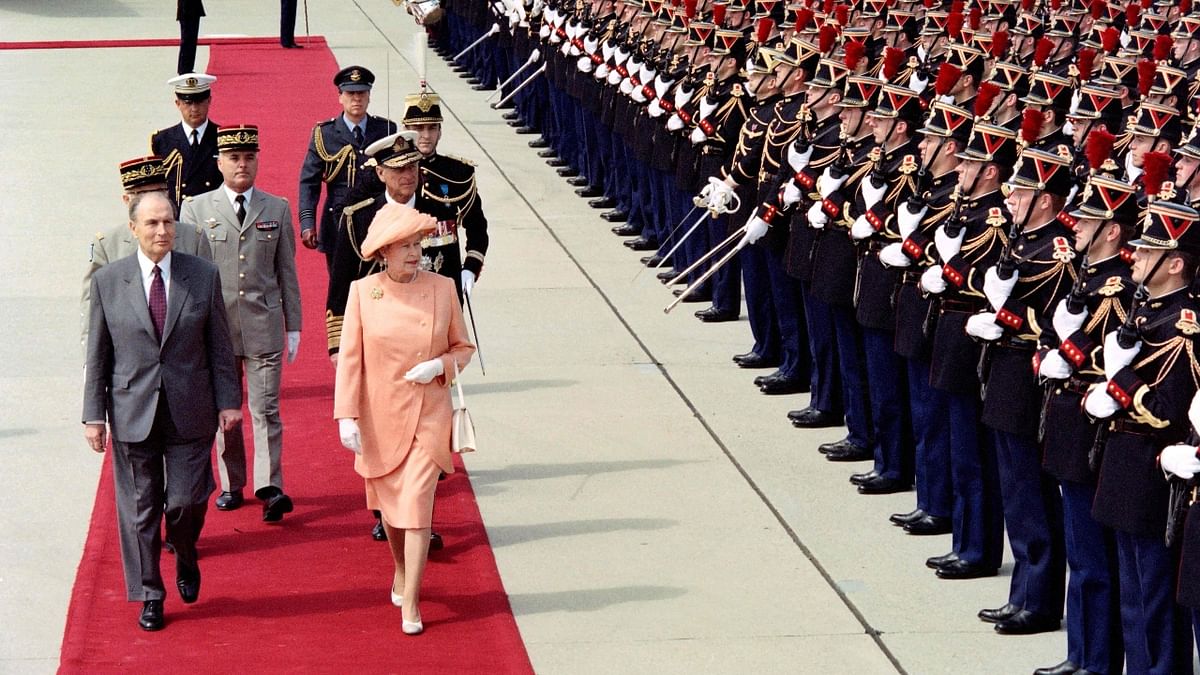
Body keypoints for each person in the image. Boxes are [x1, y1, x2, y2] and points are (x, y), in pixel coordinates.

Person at [83, 189, 241, 631]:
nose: (162, 231)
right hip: (133, 410)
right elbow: (99, 354)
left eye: (168, 222)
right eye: (152, 223)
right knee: (140, 508)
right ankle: (150, 593)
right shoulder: (109, 282)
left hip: (191, 408)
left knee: (185, 502)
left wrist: (229, 402)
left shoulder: (202, 275)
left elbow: (219, 348)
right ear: (133, 228)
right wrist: (93, 414)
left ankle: (186, 552)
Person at [334, 203, 475, 635]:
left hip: (428, 415)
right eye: (404, 246)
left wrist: (439, 368)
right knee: (390, 511)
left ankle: (411, 599)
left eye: (417, 244)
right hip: (380, 416)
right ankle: (399, 568)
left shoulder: (442, 286)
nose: (414, 253)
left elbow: (463, 348)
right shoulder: (362, 293)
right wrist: (346, 416)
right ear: (383, 253)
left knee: (416, 507)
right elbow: (351, 360)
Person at [179, 125, 303, 522]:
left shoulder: (276, 208)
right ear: (219, 162)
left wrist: (294, 325)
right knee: (226, 411)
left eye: (249, 157)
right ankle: (233, 484)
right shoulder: (196, 209)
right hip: (216, 330)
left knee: (265, 408)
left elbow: (287, 272)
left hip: (263, 324)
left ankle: (271, 486)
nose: (242, 164)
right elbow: (189, 275)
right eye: (234, 157)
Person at [82, 155, 212, 346]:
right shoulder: (108, 244)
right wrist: (91, 363)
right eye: (141, 195)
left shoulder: (194, 238)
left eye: (158, 193)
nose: (152, 200)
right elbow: (92, 307)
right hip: (129, 354)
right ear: (127, 200)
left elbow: (210, 304)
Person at [298, 66, 397, 270]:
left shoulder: (386, 130)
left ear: (369, 96)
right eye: (350, 93)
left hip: (378, 219)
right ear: (340, 97)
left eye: (361, 93)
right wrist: (307, 223)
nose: (356, 99)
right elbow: (309, 182)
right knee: (341, 291)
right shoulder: (325, 134)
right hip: (339, 221)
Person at [402, 90, 490, 300]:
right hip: (403, 271)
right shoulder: (395, 173)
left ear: (440, 131)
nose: (425, 135)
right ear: (406, 131)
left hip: (446, 271)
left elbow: (477, 226)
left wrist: (470, 266)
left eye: (432, 128)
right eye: (418, 128)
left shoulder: (458, 173)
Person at [151, 73, 223, 210]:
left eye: (200, 102)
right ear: (178, 103)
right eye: (188, 103)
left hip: (212, 214)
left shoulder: (222, 137)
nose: (194, 109)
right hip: (177, 216)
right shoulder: (162, 140)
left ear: (209, 101)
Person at [176, 0, 204, 75]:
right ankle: (184, 68)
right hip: (187, 10)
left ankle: (187, 67)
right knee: (187, 40)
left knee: (191, 41)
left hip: (192, 9)